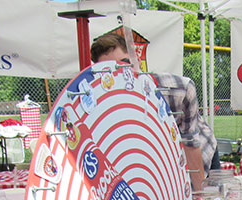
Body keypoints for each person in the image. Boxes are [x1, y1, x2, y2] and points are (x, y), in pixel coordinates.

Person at [90, 33, 218, 191]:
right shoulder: (103, 105)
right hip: (160, 158)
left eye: (122, 63)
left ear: (134, 62)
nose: (118, 74)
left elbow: (190, 146)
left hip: (198, 149)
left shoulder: (176, 91)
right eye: (107, 70)